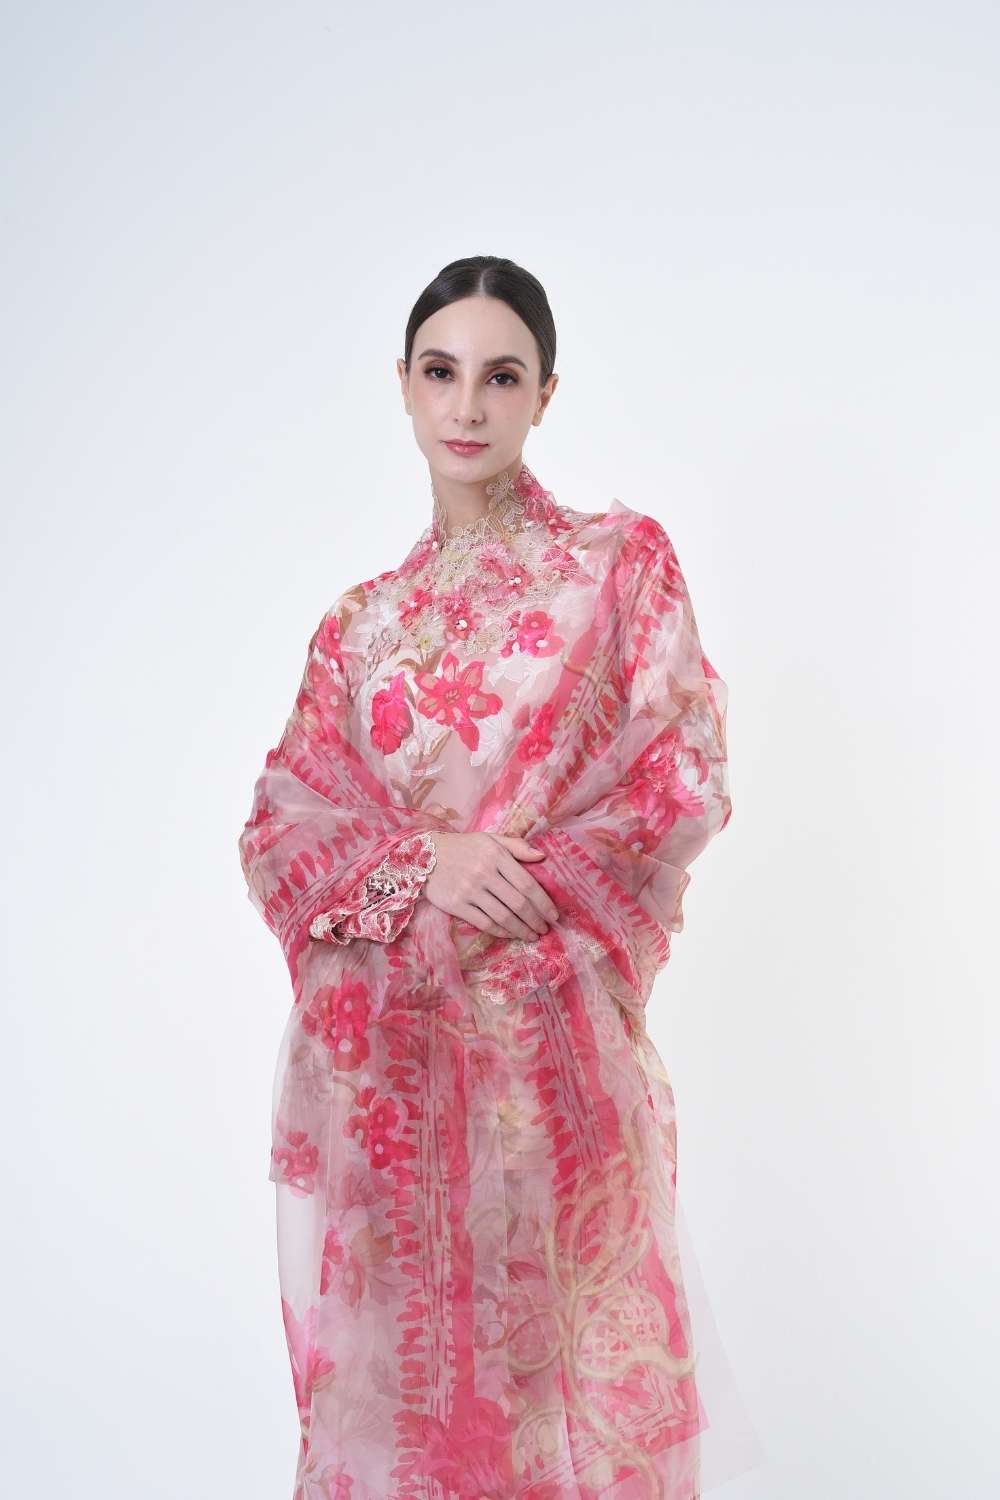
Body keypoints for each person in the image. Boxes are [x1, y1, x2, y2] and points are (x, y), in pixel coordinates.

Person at [238, 255, 737, 1500]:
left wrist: (513, 898)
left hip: (552, 1071)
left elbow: (679, 778)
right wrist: (425, 862)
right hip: (391, 1085)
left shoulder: (614, 568)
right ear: (404, 386)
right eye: (442, 372)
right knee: (408, 1427)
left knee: (571, 1411)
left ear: (544, 395)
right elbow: (281, 828)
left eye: (501, 377)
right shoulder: (359, 626)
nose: (468, 406)